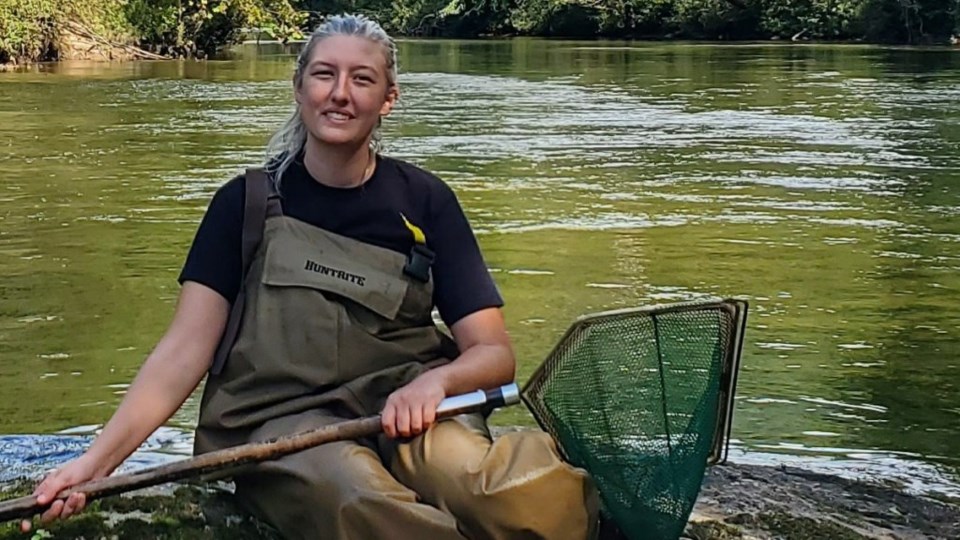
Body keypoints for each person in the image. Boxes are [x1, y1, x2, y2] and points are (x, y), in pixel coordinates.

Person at [22, 13, 599, 540]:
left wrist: (434, 385)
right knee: (361, 500)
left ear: (389, 99)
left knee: (509, 493)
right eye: (324, 75)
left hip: (409, 413)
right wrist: (93, 466)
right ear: (299, 89)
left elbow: (494, 355)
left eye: (362, 80)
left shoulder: (427, 201)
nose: (340, 94)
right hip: (277, 426)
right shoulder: (242, 204)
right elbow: (181, 355)